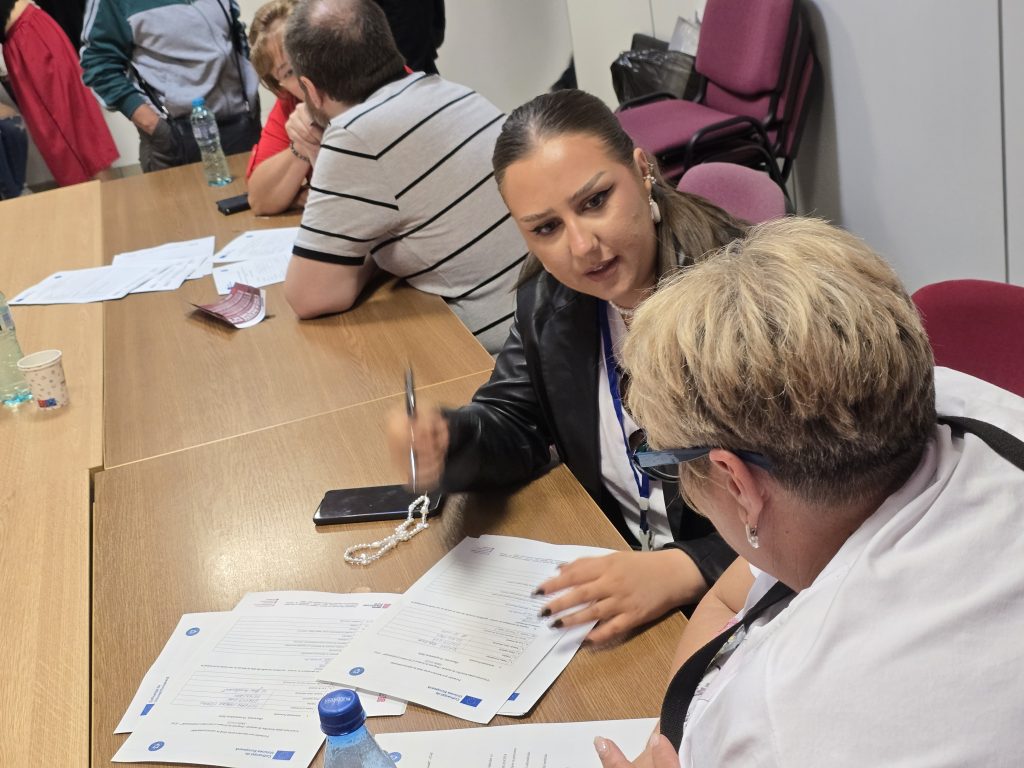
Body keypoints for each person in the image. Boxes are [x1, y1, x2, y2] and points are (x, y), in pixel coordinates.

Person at [599, 217, 1024, 766]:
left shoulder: (790, 719)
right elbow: (730, 597)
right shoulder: (950, 401)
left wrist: (681, 742)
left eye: (670, 462)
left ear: (736, 480)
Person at [387, 89, 748, 645]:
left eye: (595, 201)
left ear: (642, 170)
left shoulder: (747, 301)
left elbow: (826, 500)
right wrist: (450, 441)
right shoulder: (549, 298)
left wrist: (688, 566)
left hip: (744, 599)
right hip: (619, 575)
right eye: (546, 228)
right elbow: (516, 421)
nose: (581, 246)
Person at [283, 0, 524, 354]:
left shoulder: (354, 134)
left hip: (505, 355)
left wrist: (364, 257)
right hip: (554, 320)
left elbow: (310, 296)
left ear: (311, 89)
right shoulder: (452, 91)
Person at [81, 0, 261, 173]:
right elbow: (98, 65)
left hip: (244, 124)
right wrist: (156, 127)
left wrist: (250, 87)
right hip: (178, 137)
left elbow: (234, 30)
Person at [2, 0, 117, 185]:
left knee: (70, 133)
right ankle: (106, 197)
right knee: (68, 133)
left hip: (29, 38)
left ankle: (107, 198)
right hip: (24, 38)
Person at [245, 0, 319, 215]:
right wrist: (303, 144)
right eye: (289, 72)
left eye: (306, 54)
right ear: (281, 86)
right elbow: (259, 200)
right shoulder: (291, 103)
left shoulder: (377, 78)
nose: (306, 73)